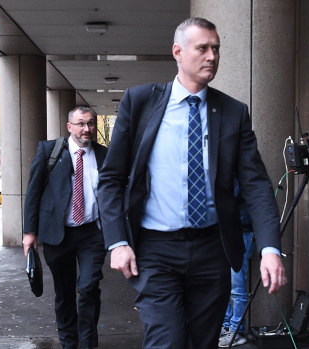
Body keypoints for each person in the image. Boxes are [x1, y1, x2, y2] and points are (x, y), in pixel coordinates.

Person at [97, 17, 287, 349]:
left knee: (203, 343)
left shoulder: (232, 112)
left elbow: (256, 184)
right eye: (203, 48)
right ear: (178, 52)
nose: (212, 56)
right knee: (167, 341)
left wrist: (270, 248)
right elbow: (111, 178)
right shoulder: (140, 103)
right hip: (155, 250)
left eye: (216, 48)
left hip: (212, 250)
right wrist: (117, 241)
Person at [22, 106, 108, 349]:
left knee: (89, 287)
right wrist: (29, 233)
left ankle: (88, 344)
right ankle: (69, 343)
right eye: (81, 123)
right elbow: (33, 193)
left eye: (90, 123)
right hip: (58, 234)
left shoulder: (104, 155)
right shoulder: (49, 150)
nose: (86, 129)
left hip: (92, 232)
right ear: (70, 127)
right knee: (64, 293)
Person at [219, 181, 254, 348]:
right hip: (229, 231)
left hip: (241, 231)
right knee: (225, 284)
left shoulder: (237, 169)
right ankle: (227, 326)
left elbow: (229, 196)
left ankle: (236, 330)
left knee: (236, 286)